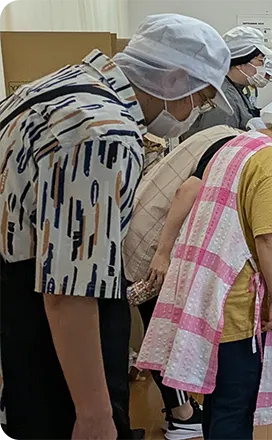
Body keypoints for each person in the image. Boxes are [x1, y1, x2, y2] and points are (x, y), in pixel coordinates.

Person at [0, 13, 231, 440]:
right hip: (45, 310)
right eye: (199, 100)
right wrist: (93, 413)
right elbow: (68, 290)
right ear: (175, 79)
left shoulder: (63, 84)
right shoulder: (103, 132)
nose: (195, 113)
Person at [137, 93, 272, 439]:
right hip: (237, 305)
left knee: (218, 398)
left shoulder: (239, 145)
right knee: (235, 402)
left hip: (211, 292)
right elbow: (270, 236)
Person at [123, 123, 244, 439]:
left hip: (144, 224)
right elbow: (187, 191)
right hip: (151, 241)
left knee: (160, 328)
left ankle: (181, 410)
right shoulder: (232, 146)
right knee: (162, 331)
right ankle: (182, 415)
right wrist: (163, 253)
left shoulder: (222, 133)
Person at [182, 26, 272, 140]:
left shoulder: (238, 89)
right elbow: (217, 143)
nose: (263, 67)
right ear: (240, 62)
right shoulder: (223, 97)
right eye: (260, 60)